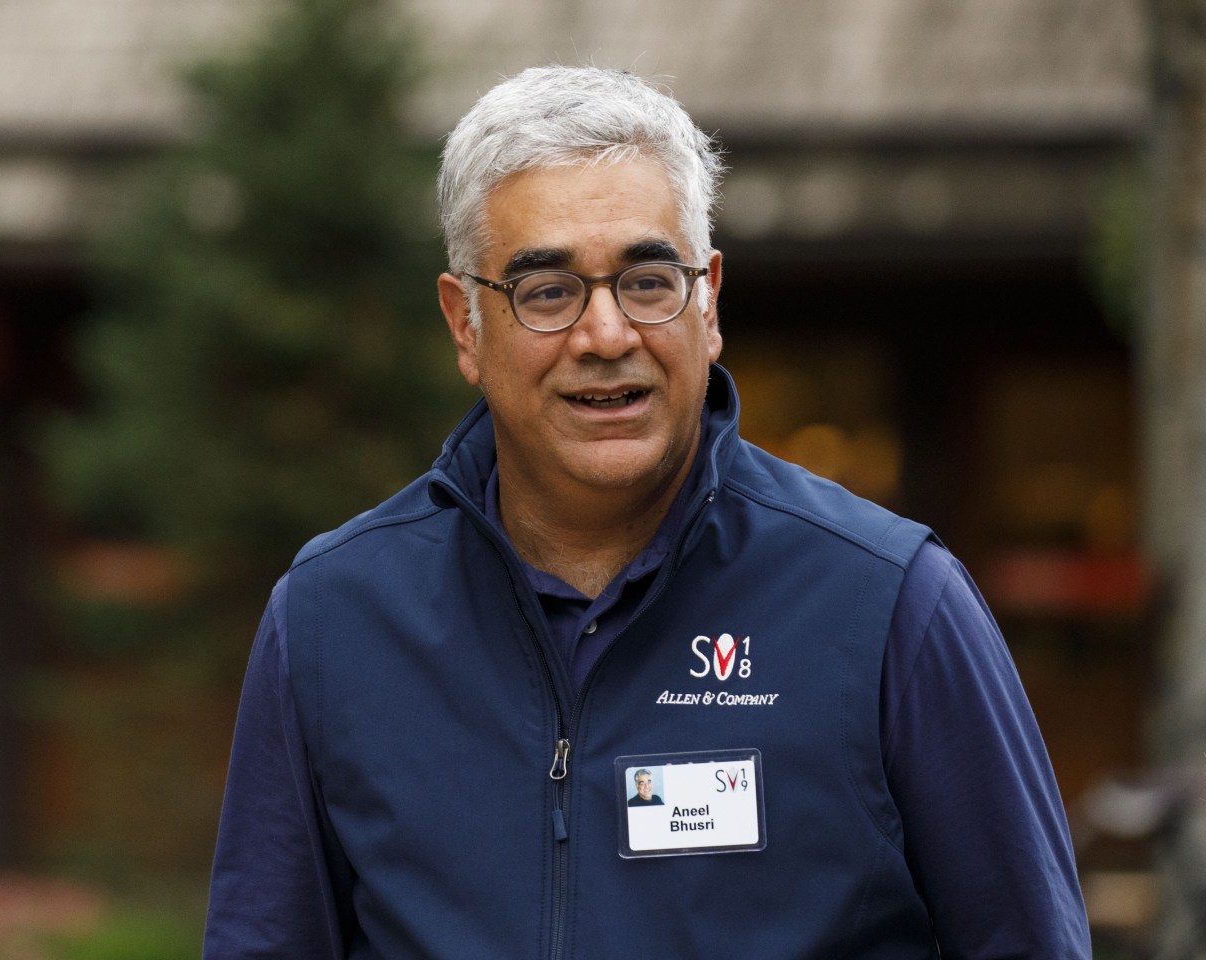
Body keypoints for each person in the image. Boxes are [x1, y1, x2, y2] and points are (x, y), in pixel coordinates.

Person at [204, 66, 1091, 958]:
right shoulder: (332, 620)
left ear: (708, 302)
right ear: (466, 325)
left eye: (647, 280)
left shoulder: (893, 604)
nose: (607, 335)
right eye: (546, 291)